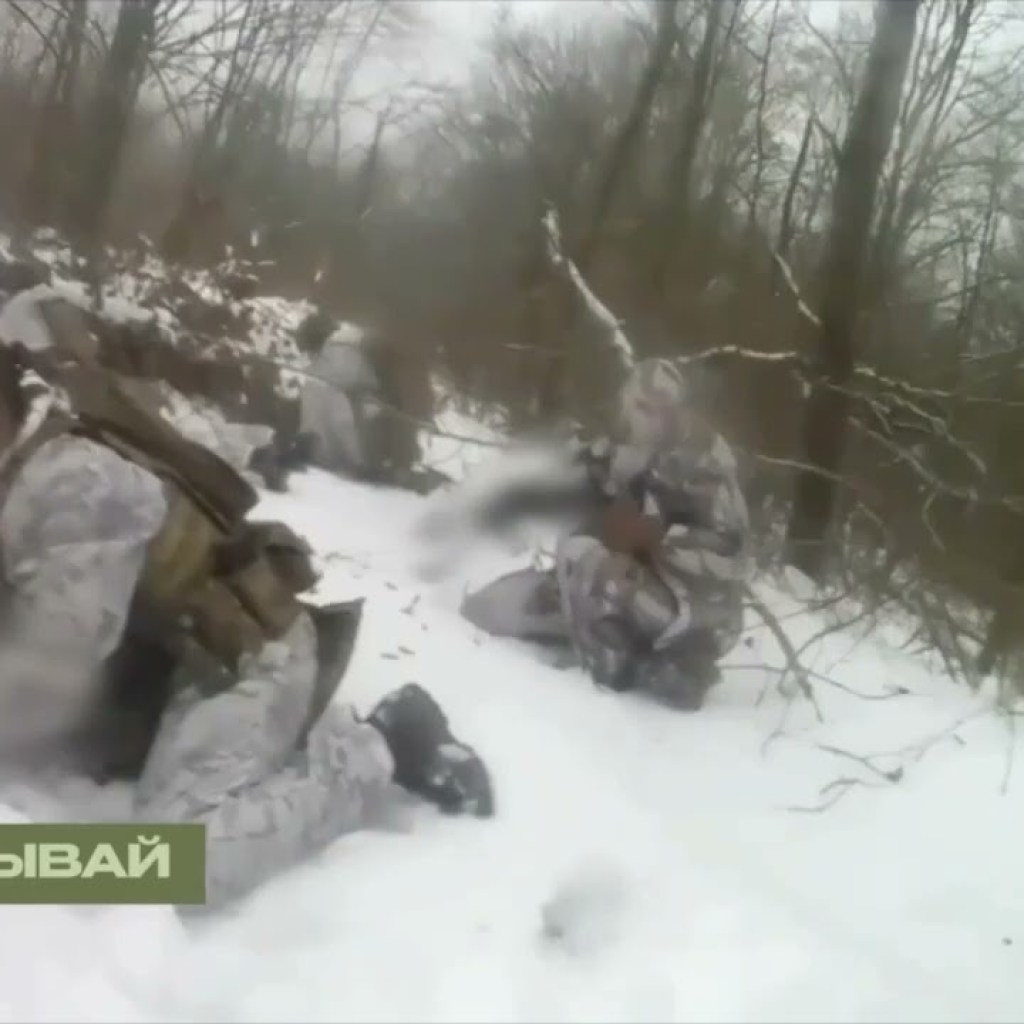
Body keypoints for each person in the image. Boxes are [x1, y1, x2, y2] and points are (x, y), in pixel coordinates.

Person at [0, 341, 494, 912]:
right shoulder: (22, 465)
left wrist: (20, 867)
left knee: (167, 866)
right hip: (147, 668)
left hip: (239, 658)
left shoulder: (72, 479)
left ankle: (381, 746)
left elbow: (47, 681)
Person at [460, 357, 753, 709]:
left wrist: (657, 539)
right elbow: (595, 473)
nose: (640, 417)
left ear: (675, 412)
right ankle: (596, 619)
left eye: (651, 409)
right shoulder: (642, 444)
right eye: (636, 406)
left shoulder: (707, 468)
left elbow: (733, 556)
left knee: (582, 554)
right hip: (651, 588)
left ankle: (617, 671)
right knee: (489, 607)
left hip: (703, 614)